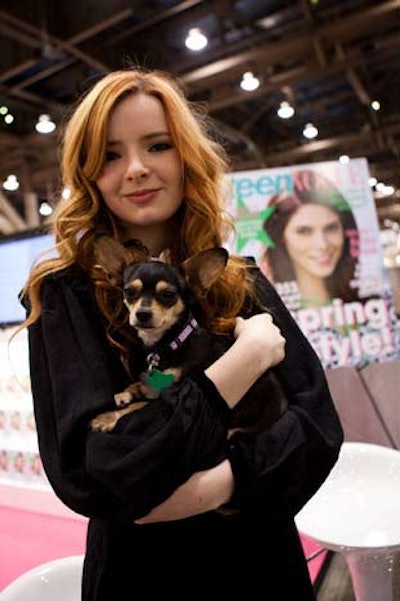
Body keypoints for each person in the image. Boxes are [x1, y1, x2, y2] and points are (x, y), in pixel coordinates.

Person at [20, 68, 343, 600]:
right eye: (110, 154)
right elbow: (103, 468)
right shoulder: (65, 296)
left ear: (185, 154)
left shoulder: (240, 280)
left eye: (158, 145)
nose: (138, 169)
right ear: (88, 173)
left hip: (262, 567)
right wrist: (241, 365)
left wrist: (218, 483)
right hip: (145, 578)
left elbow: (317, 431)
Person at [261, 168, 360, 308]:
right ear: (281, 237)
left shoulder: (372, 303)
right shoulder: (269, 313)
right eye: (304, 231)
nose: (322, 244)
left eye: (331, 228)